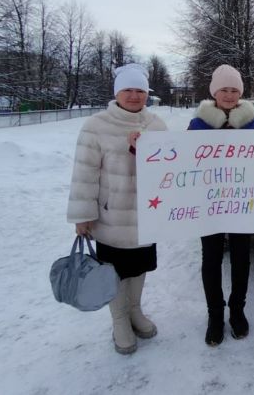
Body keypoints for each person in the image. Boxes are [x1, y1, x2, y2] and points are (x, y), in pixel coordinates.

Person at [67, 63, 167, 355]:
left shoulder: (156, 125)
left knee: (139, 268)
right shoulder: (96, 125)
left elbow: (172, 169)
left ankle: (135, 310)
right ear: (117, 93)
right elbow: (84, 173)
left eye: (140, 90)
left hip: (148, 213)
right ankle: (119, 320)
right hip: (113, 217)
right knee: (115, 271)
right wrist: (83, 216)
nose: (135, 96)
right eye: (128, 90)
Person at [187, 64, 254, 346]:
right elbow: (185, 161)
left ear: (240, 93)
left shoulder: (253, 123)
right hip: (209, 204)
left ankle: (238, 311)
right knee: (212, 259)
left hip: (243, 204)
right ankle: (215, 315)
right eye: (224, 90)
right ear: (214, 92)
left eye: (234, 90)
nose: (229, 95)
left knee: (242, 258)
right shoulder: (198, 124)